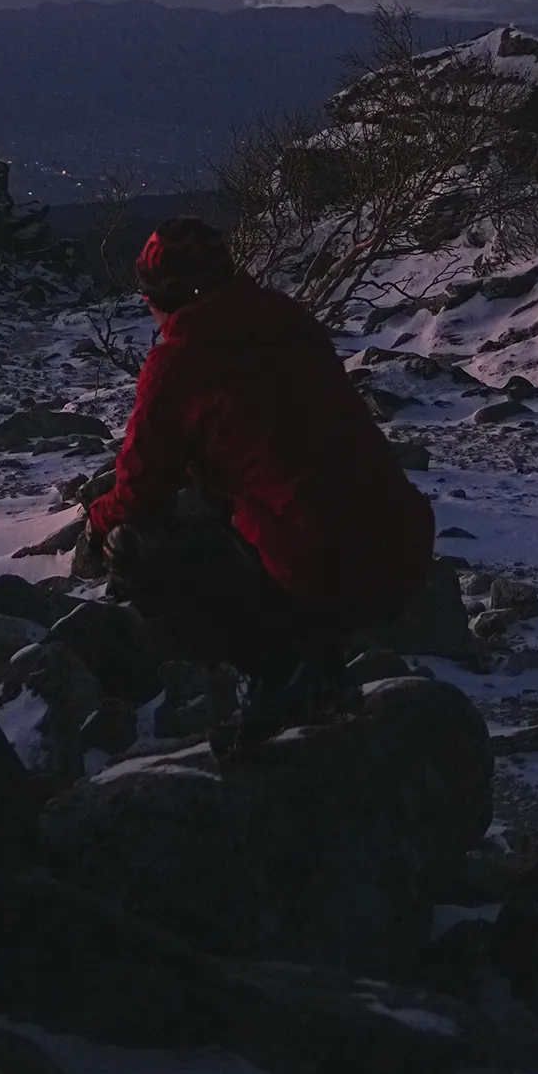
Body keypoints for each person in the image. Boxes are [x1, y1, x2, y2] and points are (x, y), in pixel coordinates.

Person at [87, 217, 435, 757]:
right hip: (403, 549)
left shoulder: (178, 362)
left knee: (137, 550)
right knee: (261, 512)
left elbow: (138, 494)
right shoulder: (287, 320)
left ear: (161, 298)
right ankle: (315, 668)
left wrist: (95, 523)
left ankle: (278, 674)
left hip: (325, 567)